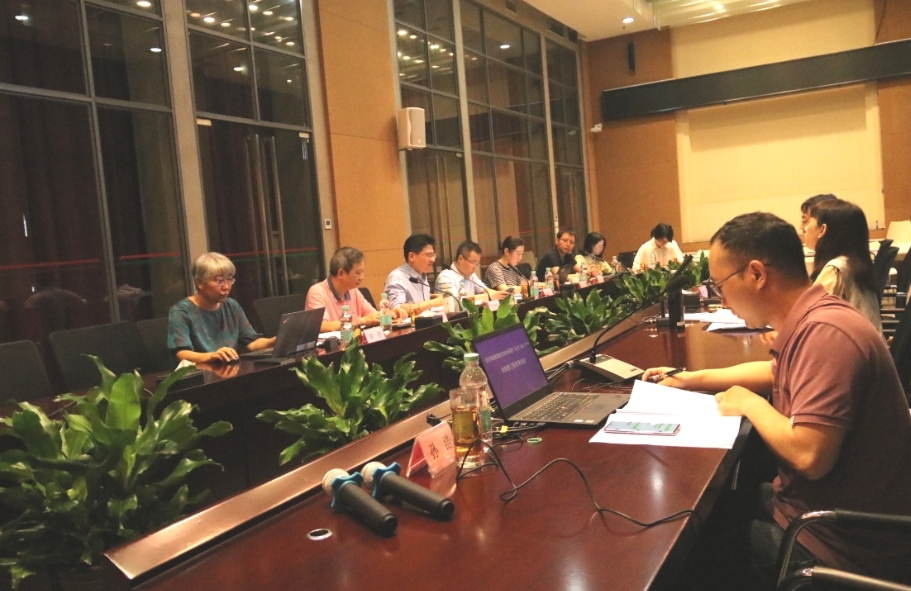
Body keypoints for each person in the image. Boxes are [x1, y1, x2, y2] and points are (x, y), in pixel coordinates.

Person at [643, 212, 911, 589]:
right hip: (819, 511)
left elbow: (810, 456)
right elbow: (775, 371)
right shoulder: (814, 317)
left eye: (720, 285)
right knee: (700, 516)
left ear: (756, 274)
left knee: (680, 561)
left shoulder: (826, 334)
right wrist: (691, 379)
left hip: (839, 545)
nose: (721, 298)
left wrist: (750, 404)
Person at [168, 252, 275, 363]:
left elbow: (252, 343)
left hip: (229, 368)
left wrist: (274, 341)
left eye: (229, 279)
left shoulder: (232, 306)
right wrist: (211, 356)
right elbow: (182, 354)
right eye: (219, 281)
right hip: (201, 371)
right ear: (200, 283)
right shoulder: (181, 312)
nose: (226, 287)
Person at [804, 198, 881, 332]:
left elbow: (809, 318)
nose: (804, 228)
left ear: (822, 230)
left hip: (851, 343)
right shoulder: (853, 263)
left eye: (808, 222)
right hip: (865, 342)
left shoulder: (836, 269)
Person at [306, 247, 406, 332]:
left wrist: (389, 314)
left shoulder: (352, 290)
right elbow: (320, 326)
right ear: (341, 273)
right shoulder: (317, 292)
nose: (362, 277)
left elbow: (372, 315)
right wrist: (361, 321)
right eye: (358, 273)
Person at [435, 241, 506, 310]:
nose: (475, 267)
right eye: (473, 262)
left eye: (477, 264)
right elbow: (456, 302)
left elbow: (486, 291)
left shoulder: (471, 276)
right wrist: (489, 296)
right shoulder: (445, 277)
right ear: (460, 259)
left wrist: (504, 295)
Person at [384, 233, 446, 313]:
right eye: (429, 255)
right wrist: (432, 303)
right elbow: (398, 309)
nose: (433, 259)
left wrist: (431, 297)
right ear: (411, 256)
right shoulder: (397, 277)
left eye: (433, 255)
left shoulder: (422, 275)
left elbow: (418, 301)